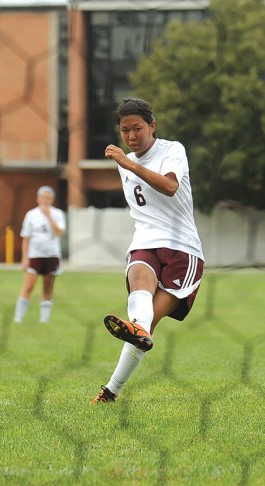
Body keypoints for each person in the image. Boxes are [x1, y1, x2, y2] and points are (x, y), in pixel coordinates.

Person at [91, 97, 205, 404]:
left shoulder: (172, 150)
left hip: (183, 250)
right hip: (144, 242)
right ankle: (110, 391)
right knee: (139, 292)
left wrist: (127, 162)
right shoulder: (124, 162)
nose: (131, 137)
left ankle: (112, 389)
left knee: (146, 329)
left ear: (152, 126)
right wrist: (126, 162)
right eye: (125, 130)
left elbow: (169, 187)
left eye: (138, 128)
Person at [14, 186, 66, 324]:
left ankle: (44, 320)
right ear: (38, 199)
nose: (45, 200)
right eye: (43, 197)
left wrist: (48, 215)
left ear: (52, 200)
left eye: (48, 198)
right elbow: (26, 238)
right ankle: (18, 318)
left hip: (52, 255)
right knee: (28, 287)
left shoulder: (58, 214)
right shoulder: (31, 215)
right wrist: (25, 258)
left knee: (47, 289)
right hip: (35, 255)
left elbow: (59, 233)